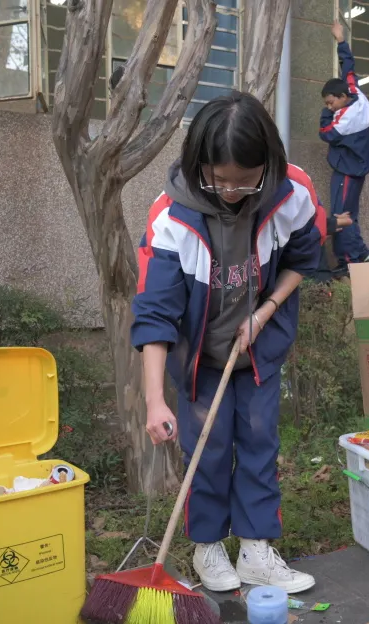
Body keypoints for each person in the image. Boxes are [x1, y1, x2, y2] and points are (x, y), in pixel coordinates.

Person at [131, 92, 348, 594]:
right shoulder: (172, 217)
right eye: (216, 178)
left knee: (258, 446)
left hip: (258, 350)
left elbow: (304, 257)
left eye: (242, 178)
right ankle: (207, 547)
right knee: (208, 450)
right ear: (198, 164)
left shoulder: (292, 193)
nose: (228, 190)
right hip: (199, 359)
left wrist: (265, 311)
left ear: (266, 164)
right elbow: (156, 311)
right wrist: (155, 399)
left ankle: (255, 550)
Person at [320, 20, 369, 271]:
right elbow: (349, 68)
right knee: (348, 213)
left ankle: (358, 255)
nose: (330, 106)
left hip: (347, 171)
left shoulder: (344, 120)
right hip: (357, 168)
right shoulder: (356, 94)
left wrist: (325, 113)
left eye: (331, 102)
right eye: (327, 103)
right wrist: (341, 40)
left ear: (343, 97)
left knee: (341, 216)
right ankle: (345, 260)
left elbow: (325, 133)